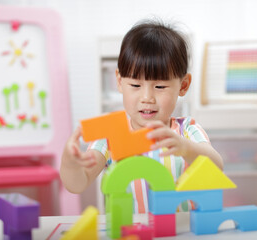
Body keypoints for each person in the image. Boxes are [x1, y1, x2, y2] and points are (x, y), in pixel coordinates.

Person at [60, 19, 223, 213]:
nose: (147, 98)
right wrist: (70, 164)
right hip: (128, 231)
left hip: (179, 230)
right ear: (120, 82)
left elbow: (216, 166)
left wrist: (186, 148)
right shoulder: (109, 135)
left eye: (160, 87)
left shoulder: (186, 130)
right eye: (135, 86)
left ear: (183, 85)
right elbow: (77, 184)